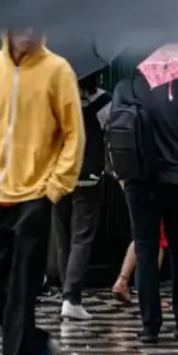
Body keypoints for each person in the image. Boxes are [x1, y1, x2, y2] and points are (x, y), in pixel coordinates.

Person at [0, 28, 84, 355]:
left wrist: (54, 188)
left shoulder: (58, 70)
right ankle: (35, 343)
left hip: (34, 197)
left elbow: (74, 133)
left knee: (21, 295)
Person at [123, 75, 178, 343]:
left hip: (139, 180)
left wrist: (124, 179)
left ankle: (150, 326)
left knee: (145, 250)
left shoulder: (127, 87)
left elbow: (117, 132)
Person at [52, 72, 112, 321]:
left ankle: (65, 288)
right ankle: (71, 297)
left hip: (57, 175)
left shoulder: (54, 98)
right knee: (82, 236)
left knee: (62, 235)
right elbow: (111, 133)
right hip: (88, 176)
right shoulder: (103, 101)